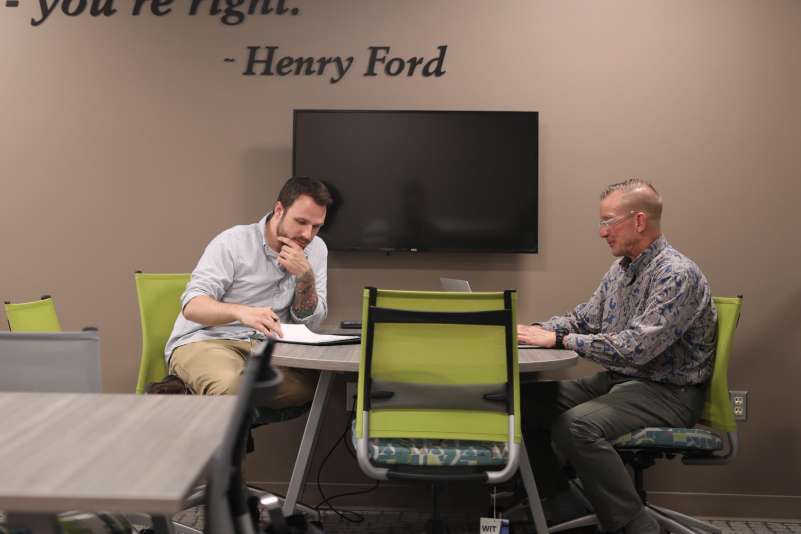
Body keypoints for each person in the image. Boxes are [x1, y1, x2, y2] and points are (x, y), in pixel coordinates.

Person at [517, 179, 717, 533]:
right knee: (523, 403)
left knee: (577, 425)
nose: (601, 232)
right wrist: (530, 331)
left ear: (638, 221)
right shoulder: (622, 270)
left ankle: (636, 526)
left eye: (608, 221)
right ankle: (564, 506)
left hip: (669, 392)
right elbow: (583, 319)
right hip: (622, 382)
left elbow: (638, 348)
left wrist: (560, 340)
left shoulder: (675, 274)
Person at [165, 176, 332, 408]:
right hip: (210, 341)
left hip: (269, 352)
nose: (307, 234)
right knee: (233, 388)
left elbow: (311, 323)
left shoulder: (316, 249)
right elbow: (193, 306)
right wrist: (241, 312)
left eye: (316, 226)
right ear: (279, 210)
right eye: (301, 222)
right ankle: (204, 393)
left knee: (312, 390)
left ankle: (195, 392)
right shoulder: (232, 242)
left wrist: (305, 277)